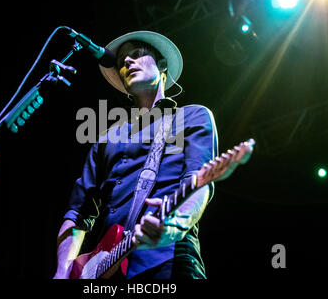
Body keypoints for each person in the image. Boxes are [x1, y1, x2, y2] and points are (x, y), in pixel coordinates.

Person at [54, 31, 218, 279]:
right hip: (108, 270)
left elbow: (199, 183)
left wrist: (173, 227)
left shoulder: (192, 117)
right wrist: (63, 271)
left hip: (168, 260)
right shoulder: (107, 139)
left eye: (137, 54)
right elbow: (77, 214)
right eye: (121, 62)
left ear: (162, 65)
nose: (127, 62)